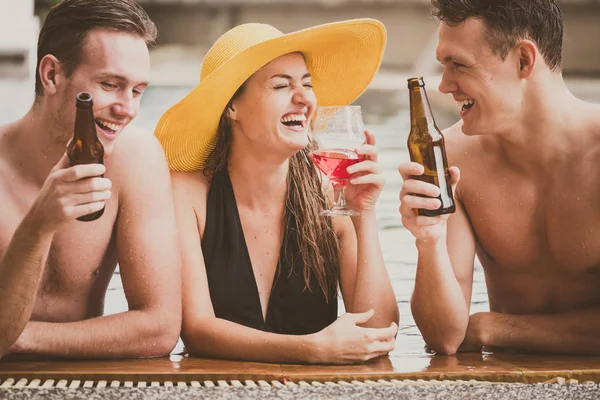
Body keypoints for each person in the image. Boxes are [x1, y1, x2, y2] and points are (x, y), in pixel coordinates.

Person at [155, 20, 399, 364]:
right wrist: (313, 349)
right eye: (281, 86)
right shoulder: (189, 194)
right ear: (232, 106)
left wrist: (365, 213)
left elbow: (379, 331)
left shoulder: (330, 193)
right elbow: (197, 330)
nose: (303, 99)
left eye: (307, 84)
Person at [399, 0, 600, 355]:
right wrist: (427, 241)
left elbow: (475, 331)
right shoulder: (454, 158)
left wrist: (497, 328)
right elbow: (445, 338)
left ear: (523, 60)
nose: (444, 86)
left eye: (458, 65)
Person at [0, 0, 181, 358]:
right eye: (111, 84)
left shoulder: (136, 160)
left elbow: (159, 328)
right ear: (52, 75)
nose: (128, 109)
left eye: (137, 90)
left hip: (84, 379)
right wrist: (37, 226)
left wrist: (17, 337)